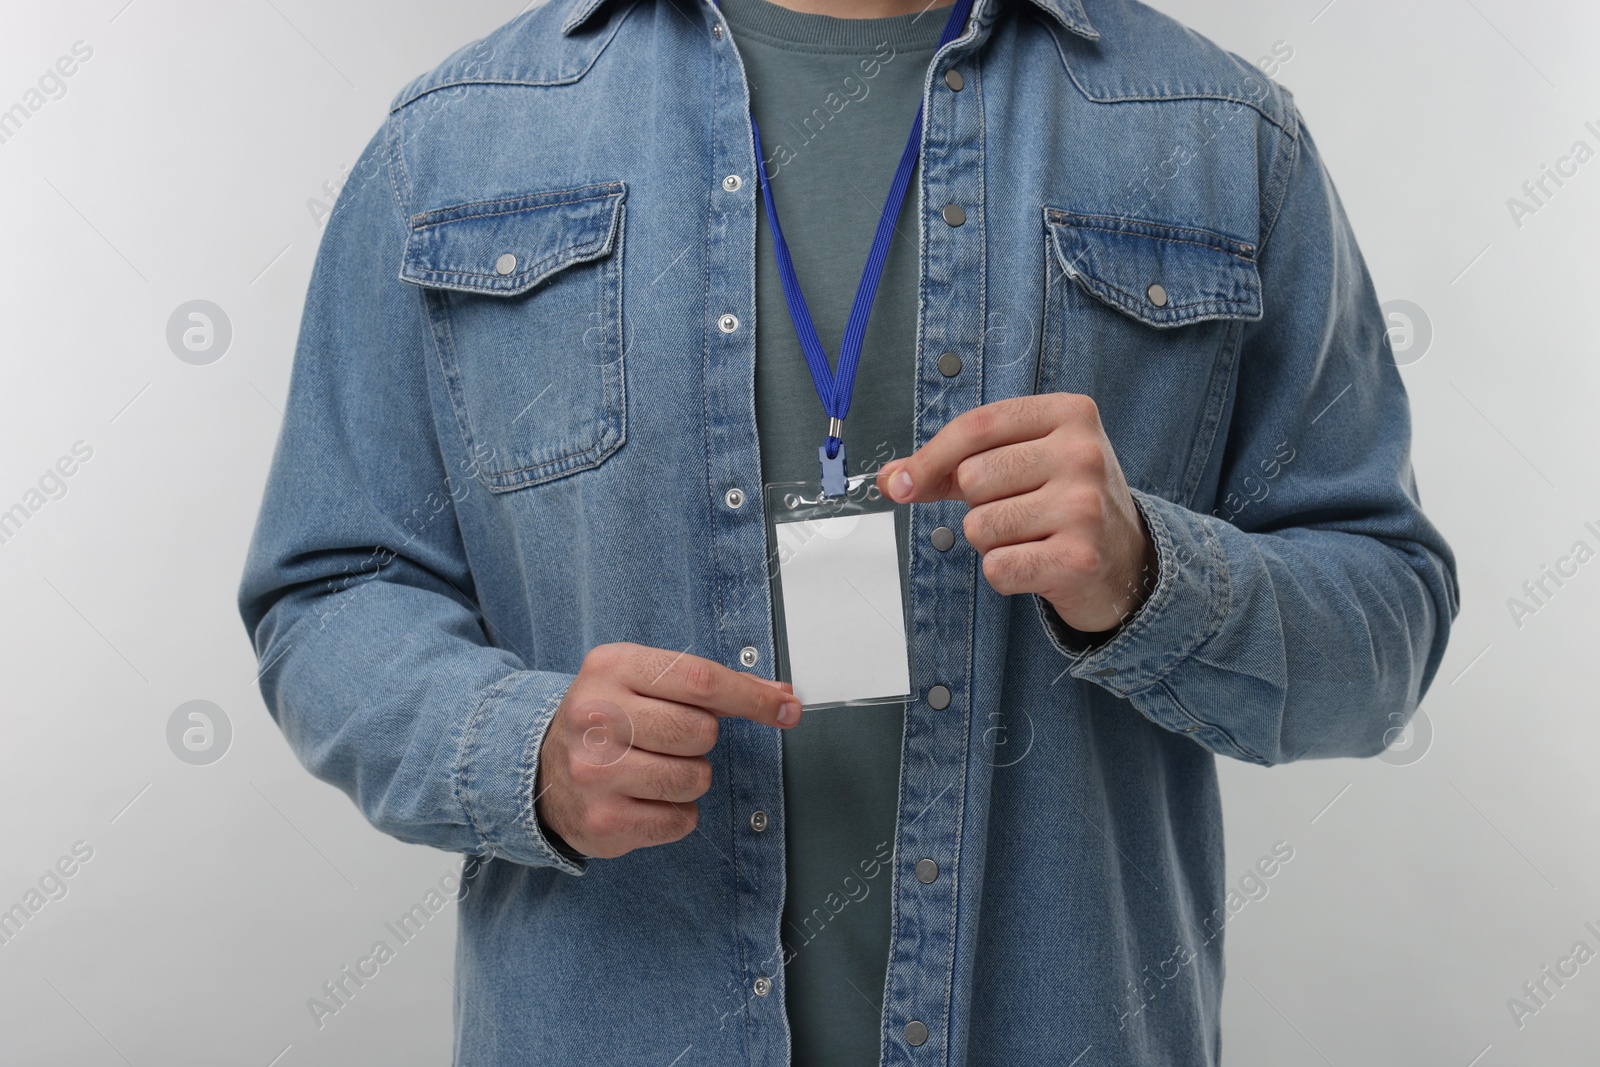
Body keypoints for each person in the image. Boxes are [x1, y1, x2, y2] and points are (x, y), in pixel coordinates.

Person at [238, 0, 1459, 1062]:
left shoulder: (1221, 137)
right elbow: (329, 591)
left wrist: (1150, 572)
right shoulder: (454, 138)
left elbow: (1383, 632)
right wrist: (518, 747)